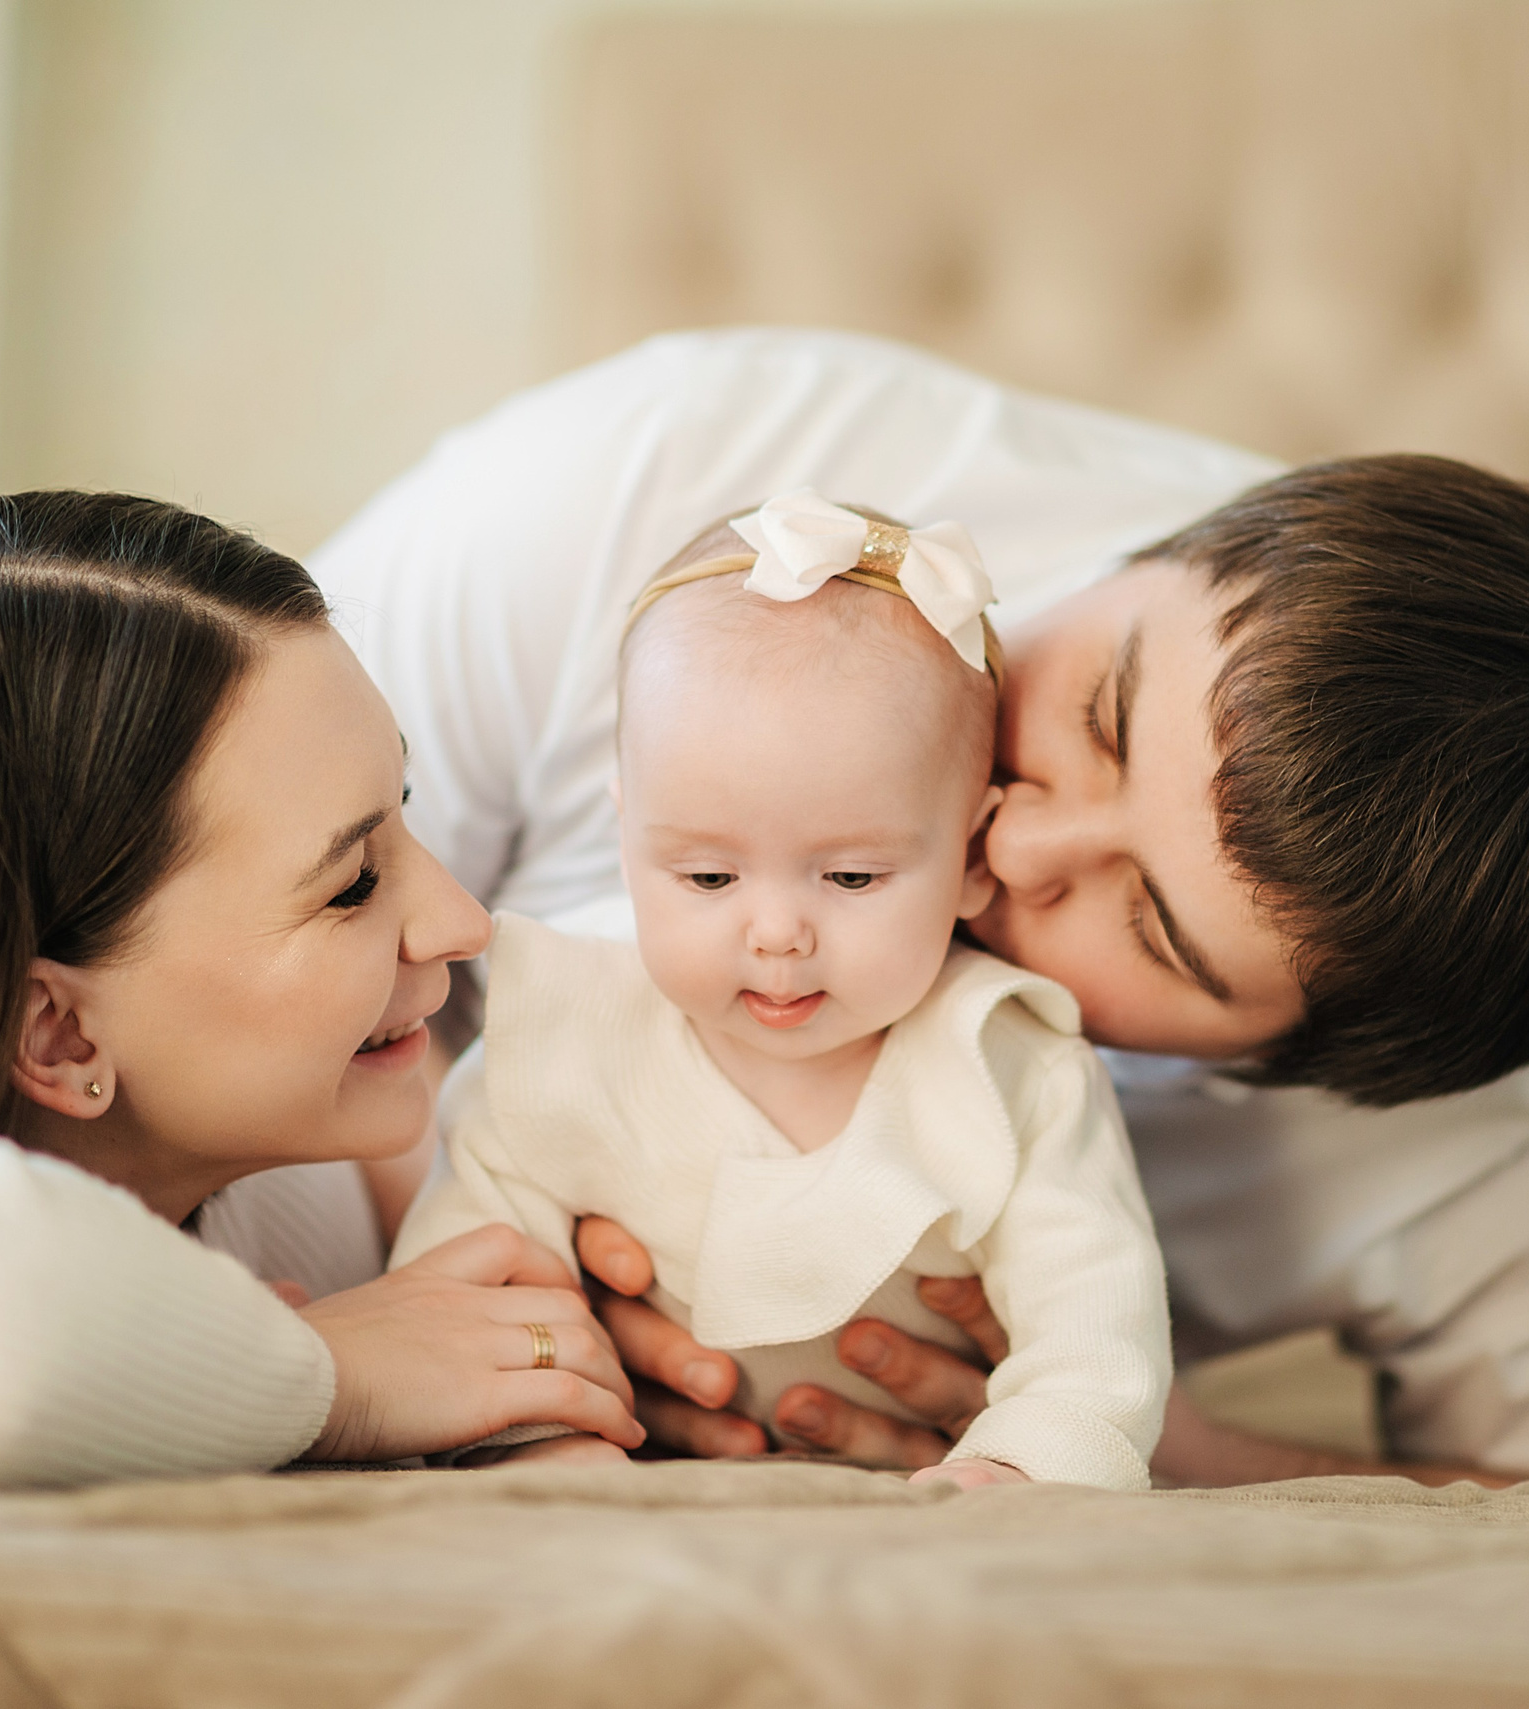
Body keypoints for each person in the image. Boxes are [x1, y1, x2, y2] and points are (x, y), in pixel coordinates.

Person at [314, 328, 1529, 1492]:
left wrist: (1136, 1434)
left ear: (1286, 1067)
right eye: (1101, 713)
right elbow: (177, 871)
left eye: (1151, 928)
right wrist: (491, 1264)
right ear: (1164, 552)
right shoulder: (659, 475)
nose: (1018, 835)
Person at [0, 492, 643, 1513]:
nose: (464, 920)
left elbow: (397, 1189)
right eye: (353, 883)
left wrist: (598, 1280)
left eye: (402, 813)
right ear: (56, 1035)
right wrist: (331, 1377)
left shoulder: (198, 1135)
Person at [396, 492, 1169, 1491]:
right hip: (637, 1453)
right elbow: (476, 1266)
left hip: (931, 1482)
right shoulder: (567, 1030)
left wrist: (1030, 1457)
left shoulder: (1009, 1062)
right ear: (627, 835)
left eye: (851, 877)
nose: (775, 932)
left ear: (973, 855)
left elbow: (1096, 1313)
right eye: (707, 877)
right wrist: (533, 1432)